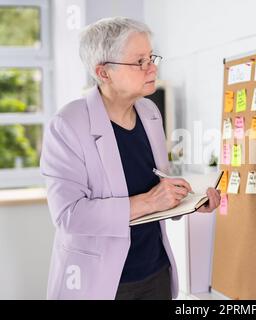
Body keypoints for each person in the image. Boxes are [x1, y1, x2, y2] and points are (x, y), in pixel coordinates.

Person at [40, 17, 221, 300]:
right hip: (104, 281)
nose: (153, 67)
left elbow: (154, 185)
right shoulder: (67, 124)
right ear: (104, 72)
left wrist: (189, 201)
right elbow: (69, 216)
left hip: (156, 271)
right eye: (139, 62)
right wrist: (150, 201)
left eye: (151, 57)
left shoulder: (149, 112)